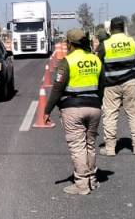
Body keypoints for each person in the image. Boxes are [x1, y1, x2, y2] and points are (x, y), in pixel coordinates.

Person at [42, 28, 106, 195]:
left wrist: (47, 110)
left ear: (69, 43)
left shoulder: (67, 62)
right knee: (90, 145)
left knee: (78, 147)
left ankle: (81, 184)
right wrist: (97, 103)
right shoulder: (95, 60)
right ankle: (92, 179)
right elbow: (102, 84)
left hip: (73, 108)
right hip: (94, 107)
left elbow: (57, 89)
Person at [97, 16, 135, 155]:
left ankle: (110, 148)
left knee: (110, 115)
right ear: (124, 28)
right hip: (130, 82)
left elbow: (98, 61)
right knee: (134, 114)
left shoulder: (105, 44)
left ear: (111, 29)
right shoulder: (131, 42)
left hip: (111, 84)